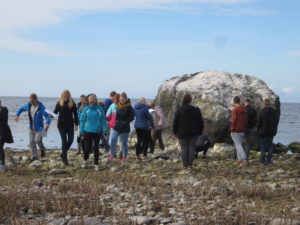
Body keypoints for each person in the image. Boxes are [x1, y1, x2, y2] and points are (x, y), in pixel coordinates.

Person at [15, 94, 51, 161]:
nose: (32, 103)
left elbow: (47, 116)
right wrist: (17, 115)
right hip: (31, 127)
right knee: (31, 142)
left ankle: (43, 150)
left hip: (40, 128)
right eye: (31, 101)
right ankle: (35, 156)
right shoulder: (28, 105)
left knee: (38, 140)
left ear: (36, 100)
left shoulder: (41, 107)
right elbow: (21, 109)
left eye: (33, 101)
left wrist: (47, 123)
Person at [173, 93, 204, 171]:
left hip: (182, 132)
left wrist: (174, 132)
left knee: (184, 149)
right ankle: (190, 165)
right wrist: (200, 131)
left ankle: (184, 166)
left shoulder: (179, 109)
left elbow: (175, 122)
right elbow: (200, 121)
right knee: (191, 148)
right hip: (194, 132)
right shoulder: (196, 109)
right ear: (190, 100)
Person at [80, 94, 107, 170]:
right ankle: (85, 161)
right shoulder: (86, 109)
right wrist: (81, 132)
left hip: (97, 131)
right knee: (88, 147)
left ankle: (96, 164)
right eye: (90, 99)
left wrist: (105, 130)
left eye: (93, 99)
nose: (91, 100)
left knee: (96, 148)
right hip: (87, 130)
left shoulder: (100, 109)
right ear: (88, 100)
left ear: (95, 100)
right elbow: (82, 121)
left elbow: (103, 120)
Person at [54, 90, 78, 165]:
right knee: (64, 141)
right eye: (64, 97)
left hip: (70, 124)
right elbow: (55, 112)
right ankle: (65, 159)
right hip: (61, 125)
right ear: (62, 96)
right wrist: (50, 115)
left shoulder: (72, 103)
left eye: (67, 97)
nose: (65, 98)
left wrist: (76, 124)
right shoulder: (59, 103)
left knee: (71, 140)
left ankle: (63, 153)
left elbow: (75, 114)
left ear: (69, 96)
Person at [108, 92, 134, 163]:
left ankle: (124, 157)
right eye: (121, 99)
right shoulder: (117, 106)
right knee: (113, 139)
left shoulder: (129, 107)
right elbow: (114, 114)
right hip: (117, 126)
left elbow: (132, 117)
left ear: (125, 99)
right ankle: (111, 154)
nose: (122, 101)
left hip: (125, 127)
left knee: (124, 143)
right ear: (119, 99)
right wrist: (112, 121)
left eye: (123, 99)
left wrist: (125, 122)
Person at [257, 98, 280, 164]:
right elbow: (276, 121)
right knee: (270, 145)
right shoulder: (274, 111)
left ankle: (262, 160)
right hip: (271, 131)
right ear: (269, 103)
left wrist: (258, 129)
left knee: (263, 146)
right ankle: (269, 160)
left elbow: (259, 122)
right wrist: (275, 129)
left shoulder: (261, 111)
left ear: (264, 103)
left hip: (263, 131)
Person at [230, 96, 248, 165]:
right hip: (242, 129)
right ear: (239, 101)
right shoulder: (244, 109)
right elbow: (246, 120)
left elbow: (234, 120)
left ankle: (243, 159)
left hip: (236, 130)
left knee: (238, 145)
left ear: (234, 101)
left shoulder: (235, 109)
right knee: (239, 144)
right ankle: (239, 159)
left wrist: (232, 128)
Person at [0, 100, 14, 170]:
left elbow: (2, 119)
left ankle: (2, 164)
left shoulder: (4, 109)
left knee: (0, 146)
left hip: (3, 131)